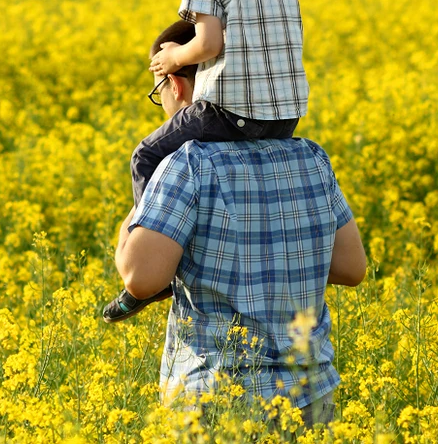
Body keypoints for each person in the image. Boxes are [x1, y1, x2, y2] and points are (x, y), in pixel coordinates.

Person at [112, 23, 367, 429]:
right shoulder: (310, 159)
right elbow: (352, 268)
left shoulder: (188, 164)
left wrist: (139, 215)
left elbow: (140, 279)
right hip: (309, 397)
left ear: (175, 84)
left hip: (221, 404)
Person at [110, 0, 311, 322]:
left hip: (230, 113)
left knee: (146, 155)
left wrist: (173, 59)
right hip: (284, 119)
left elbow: (209, 44)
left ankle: (159, 254)